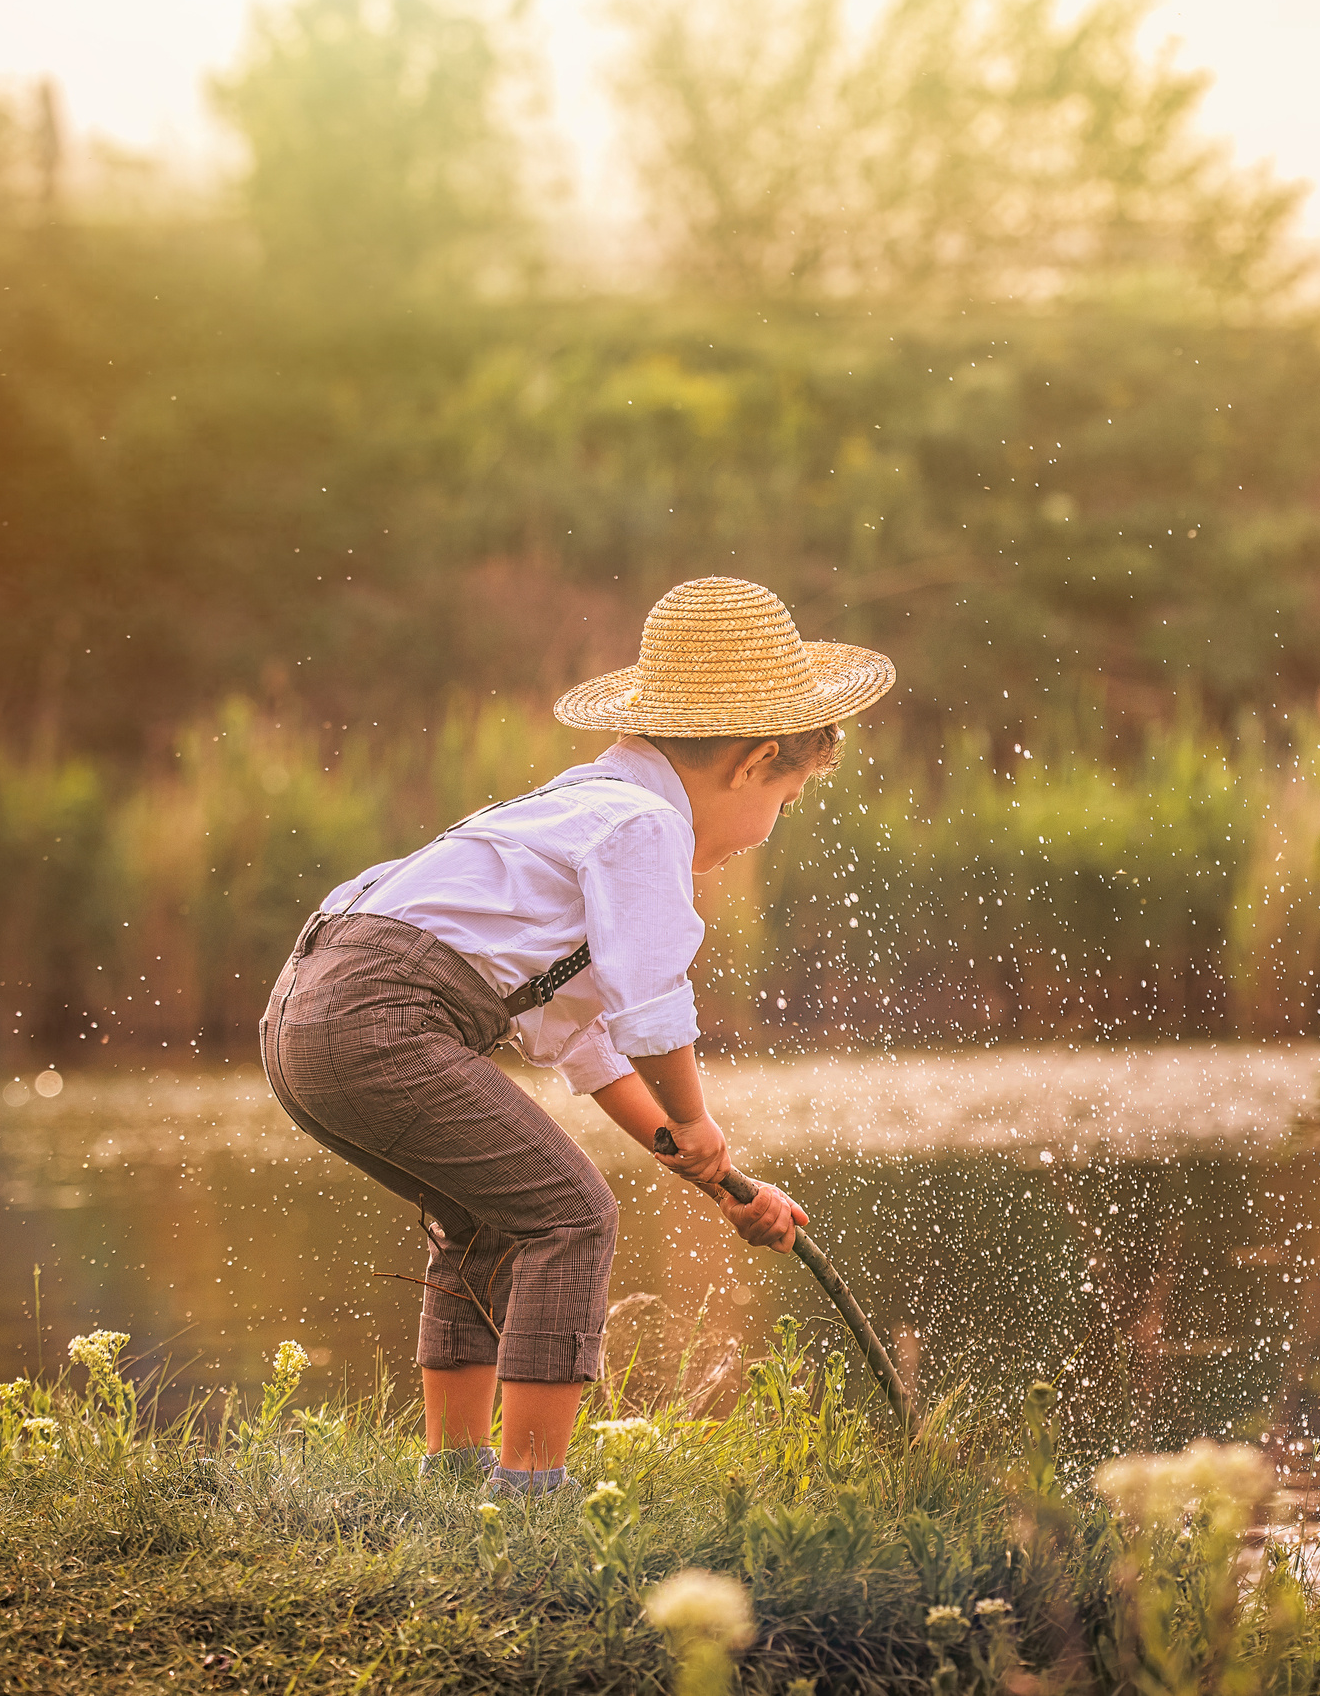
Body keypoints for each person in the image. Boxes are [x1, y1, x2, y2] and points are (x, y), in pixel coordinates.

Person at [259, 575, 894, 1497]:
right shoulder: (644, 825)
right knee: (573, 1213)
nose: (771, 827)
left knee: (485, 1216)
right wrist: (696, 1119)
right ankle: (530, 1497)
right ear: (755, 761)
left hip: (306, 1013)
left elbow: (582, 1040)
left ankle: (455, 1477)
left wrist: (715, 1175)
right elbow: (651, 1007)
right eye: (786, 798)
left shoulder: (582, 806)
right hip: (379, 1012)